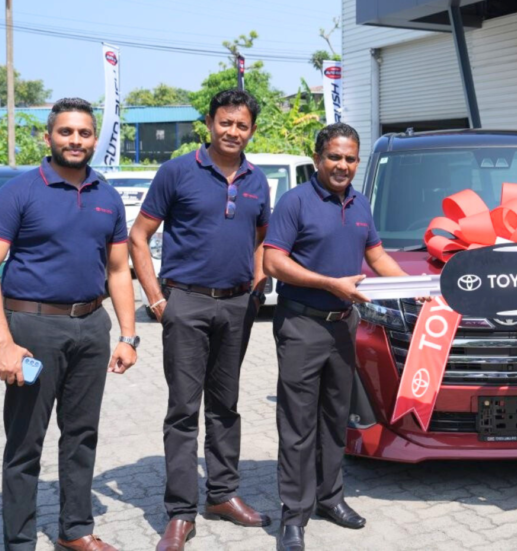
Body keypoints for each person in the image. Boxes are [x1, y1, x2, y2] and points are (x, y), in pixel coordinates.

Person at [0, 97, 138, 551]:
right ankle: (19, 542)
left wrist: (128, 335)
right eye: (66, 132)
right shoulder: (20, 192)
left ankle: (75, 530)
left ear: (94, 140)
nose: (75, 140)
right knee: (25, 442)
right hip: (33, 327)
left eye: (84, 133)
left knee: (82, 435)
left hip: (92, 326)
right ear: (48, 137)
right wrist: (2, 342)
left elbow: (118, 270)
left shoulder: (106, 196)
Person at [130, 89, 272, 551]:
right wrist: (157, 301)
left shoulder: (257, 180)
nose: (233, 131)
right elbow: (139, 236)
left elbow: (261, 238)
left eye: (242, 125)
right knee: (183, 410)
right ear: (209, 123)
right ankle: (180, 513)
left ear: (251, 130)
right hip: (185, 303)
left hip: (237, 306)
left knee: (226, 405)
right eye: (225, 122)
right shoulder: (176, 172)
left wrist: (256, 289)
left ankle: (223, 494)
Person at [263, 122, 411, 551]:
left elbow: (376, 255)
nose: (342, 165)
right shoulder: (295, 202)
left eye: (350, 158)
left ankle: (330, 498)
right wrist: (330, 283)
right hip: (301, 324)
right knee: (298, 423)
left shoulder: (360, 203)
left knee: (335, 417)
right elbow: (273, 262)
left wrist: (417, 289)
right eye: (334, 157)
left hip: (343, 324)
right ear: (318, 158)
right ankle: (294, 515)